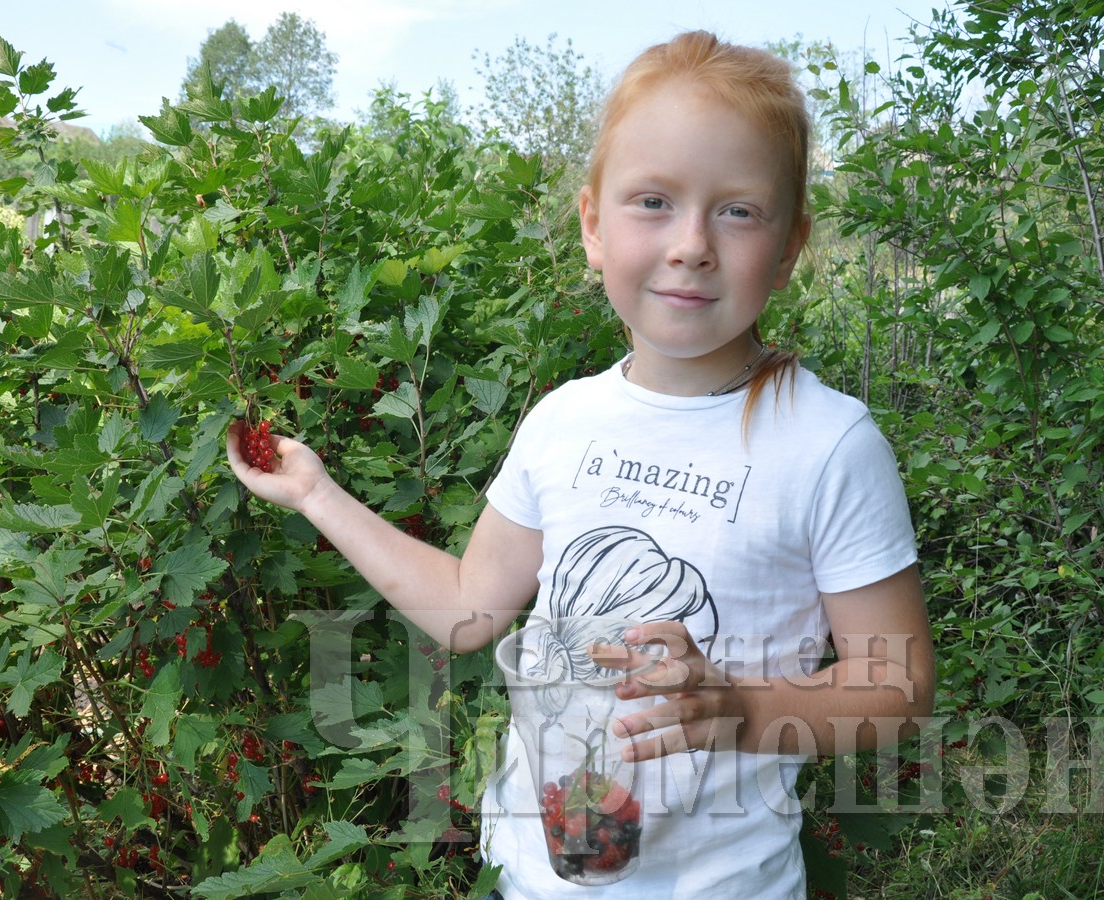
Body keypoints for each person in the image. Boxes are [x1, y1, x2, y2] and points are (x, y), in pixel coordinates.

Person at [227, 29, 935, 899]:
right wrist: (314, 492)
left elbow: (897, 686)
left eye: (738, 210)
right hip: (534, 874)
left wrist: (742, 710)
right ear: (593, 226)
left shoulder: (825, 443)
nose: (691, 244)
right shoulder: (563, 420)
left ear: (789, 246)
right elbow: (466, 611)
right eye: (652, 201)